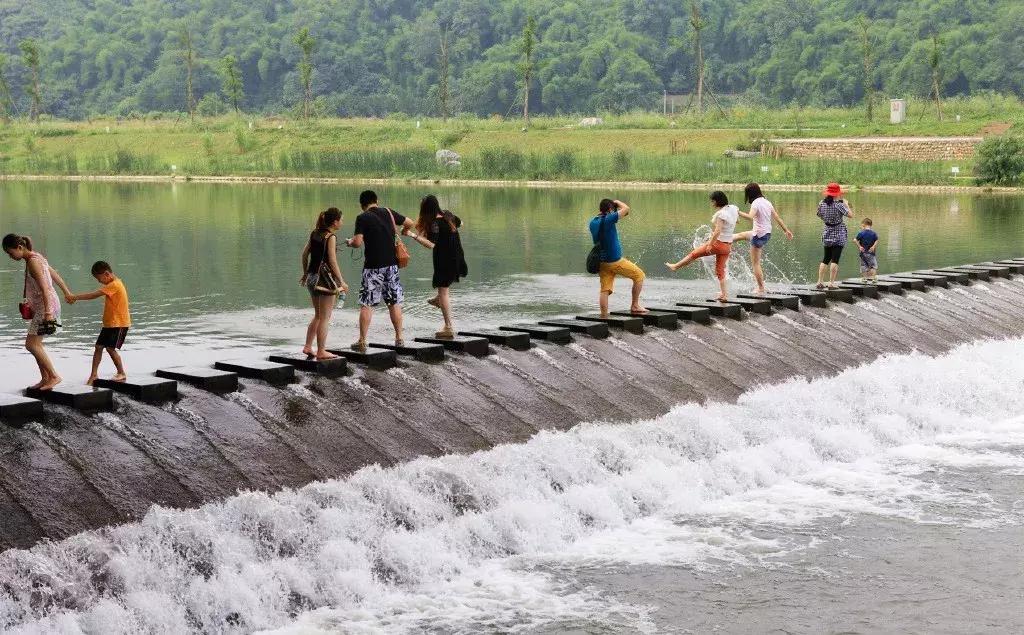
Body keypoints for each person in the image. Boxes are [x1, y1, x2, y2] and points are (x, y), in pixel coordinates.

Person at [346, 190, 430, 351]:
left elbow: (357, 243)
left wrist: (350, 242)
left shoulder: (362, 218)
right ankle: (399, 338)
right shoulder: (388, 212)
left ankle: (362, 340)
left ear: (362, 205)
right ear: (376, 200)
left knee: (367, 303)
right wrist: (405, 231)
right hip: (392, 265)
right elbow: (410, 222)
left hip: (373, 267)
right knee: (394, 302)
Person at [3, 233, 73, 391]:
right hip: (48, 306)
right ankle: (45, 378)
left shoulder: (33, 262)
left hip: (47, 307)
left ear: (20, 247)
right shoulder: (36, 257)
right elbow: (54, 275)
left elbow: (46, 288)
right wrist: (66, 292)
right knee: (36, 345)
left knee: (31, 345)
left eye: (10, 252)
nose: (10, 256)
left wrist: (48, 313)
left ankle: (54, 376)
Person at [64, 261, 132, 385]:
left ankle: (121, 373)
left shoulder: (115, 285)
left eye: (99, 278)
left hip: (119, 324)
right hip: (110, 324)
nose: (99, 282)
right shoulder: (112, 284)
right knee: (98, 347)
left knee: (110, 349)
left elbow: (93, 295)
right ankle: (94, 375)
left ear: (107, 274)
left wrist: (74, 297)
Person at [665, 191, 738, 301]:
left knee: (694, 254)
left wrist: (710, 244)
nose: (711, 203)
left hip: (718, 244)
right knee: (720, 271)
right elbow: (737, 220)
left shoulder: (721, 214)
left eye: (712, 201)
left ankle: (675, 266)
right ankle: (724, 295)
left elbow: (717, 231)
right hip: (727, 246)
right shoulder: (732, 209)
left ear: (717, 201)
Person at [415, 194, 468, 339]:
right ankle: (438, 300)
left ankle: (448, 327)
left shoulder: (434, 224)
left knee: (444, 291)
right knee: (443, 290)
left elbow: (430, 244)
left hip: (444, 261)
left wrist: (414, 236)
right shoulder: (447, 215)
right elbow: (461, 223)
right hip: (456, 257)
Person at [300, 208, 348, 359]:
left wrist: (305, 273)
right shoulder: (330, 236)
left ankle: (308, 347)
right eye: (341, 219)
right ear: (335, 222)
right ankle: (321, 351)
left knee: (318, 315)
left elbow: (304, 254)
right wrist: (342, 282)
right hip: (324, 280)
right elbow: (332, 261)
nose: (342, 222)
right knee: (325, 317)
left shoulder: (315, 233)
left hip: (312, 278)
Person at [732, 183, 794, 295]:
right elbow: (777, 218)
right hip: (766, 234)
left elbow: (750, 217)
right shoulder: (767, 202)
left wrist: (737, 212)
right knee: (741, 235)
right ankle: (724, 239)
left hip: (758, 235)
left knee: (755, 263)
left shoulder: (755, 203)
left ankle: (761, 288)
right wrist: (786, 230)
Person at [590, 198, 647, 317]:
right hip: (615, 261)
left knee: (605, 290)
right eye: (613, 210)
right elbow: (626, 209)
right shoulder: (609, 219)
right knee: (639, 275)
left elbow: (621, 215)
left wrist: (613, 210)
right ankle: (635, 305)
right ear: (610, 210)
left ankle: (604, 316)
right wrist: (617, 202)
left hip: (602, 263)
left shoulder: (593, 222)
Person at [814, 182, 855, 289]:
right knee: (835, 259)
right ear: (836, 194)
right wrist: (846, 205)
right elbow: (851, 215)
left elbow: (819, 214)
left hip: (827, 232)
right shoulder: (839, 205)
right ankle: (831, 283)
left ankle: (820, 281)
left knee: (826, 258)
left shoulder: (821, 203)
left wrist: (828, 219)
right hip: (839, 234)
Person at [855, 217, 880, 283]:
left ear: (863, 225)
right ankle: (874, 279)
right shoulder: (873, 233)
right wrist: (873, 246)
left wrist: (860, 246)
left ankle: (864, 279)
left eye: (862, 226)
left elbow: (855, 240)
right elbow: (877, 240)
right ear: (871, 225)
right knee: (873, 266)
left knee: (863, 266)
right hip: (871, 253)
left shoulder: (861, 233)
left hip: (863, 253)